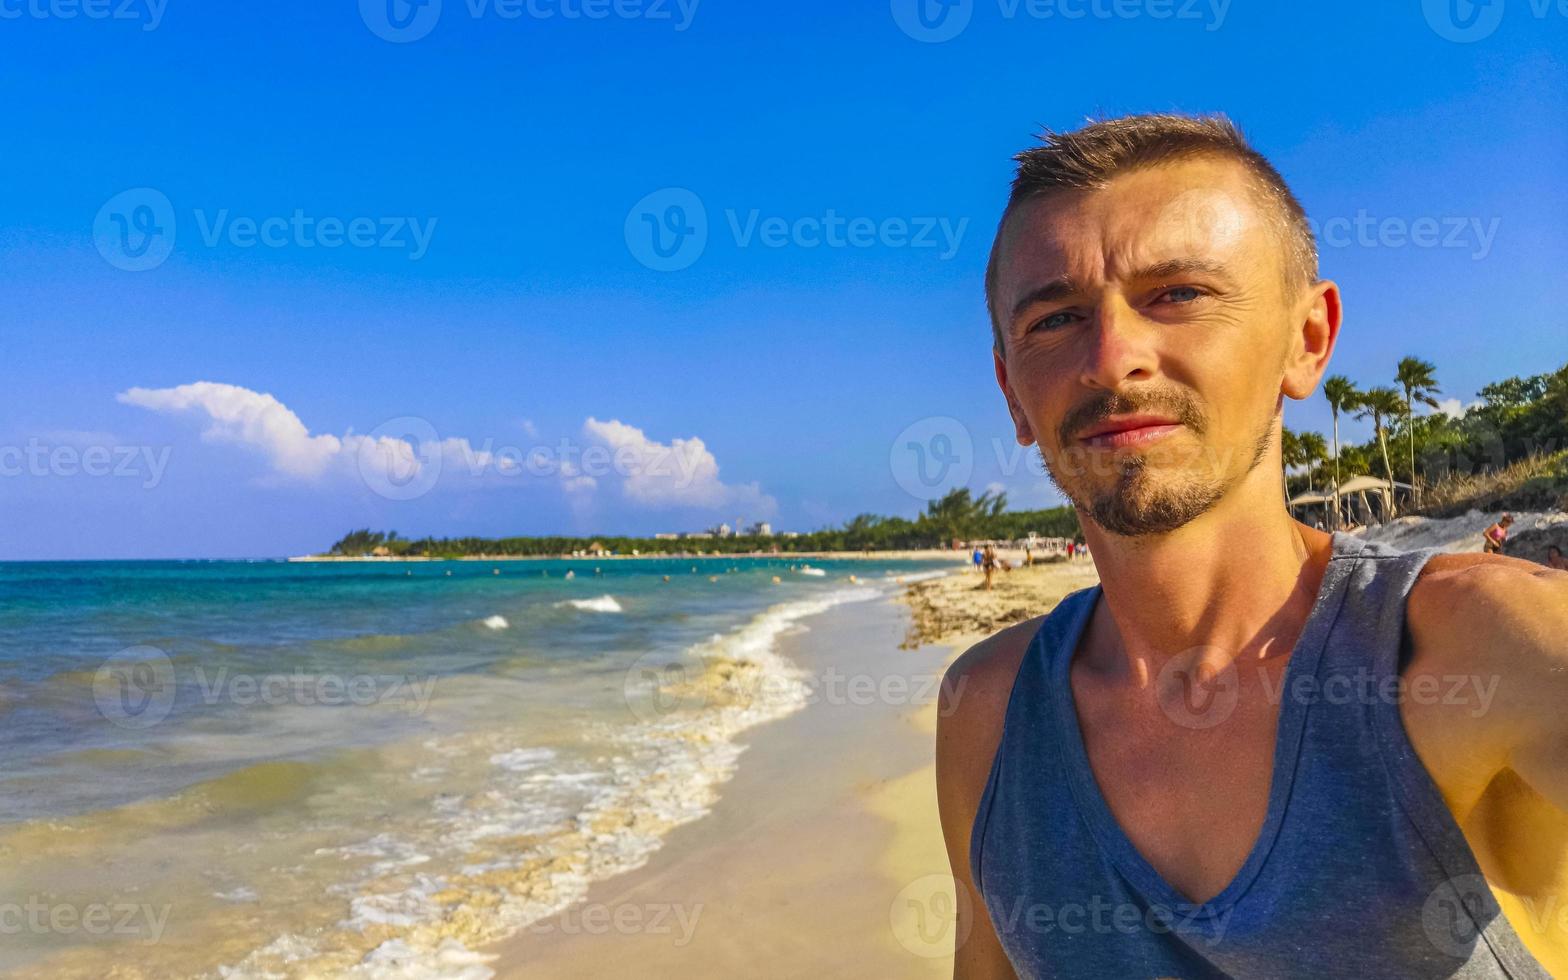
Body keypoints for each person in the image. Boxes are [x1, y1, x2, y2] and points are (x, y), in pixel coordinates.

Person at [936, 113, 1567, 978]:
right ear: (1012, 390)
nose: (1113, 358)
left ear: (1306, 341)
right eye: (1055, 319)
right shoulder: (989, 711)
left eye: (1179, 295)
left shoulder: (1478, 647)